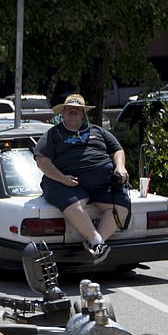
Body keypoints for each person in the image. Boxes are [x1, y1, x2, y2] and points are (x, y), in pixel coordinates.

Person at [34, 93, 130, 264]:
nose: (73, 112)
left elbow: (117, 149)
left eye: (77, 109)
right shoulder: (53, 134)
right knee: (74, 205)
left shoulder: (98, 130)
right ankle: (97, 242)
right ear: (62, 112)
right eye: (69, 109)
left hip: (103, 184)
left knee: (121, 206)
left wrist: (120, 167)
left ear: (83, 113)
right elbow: (41, 160)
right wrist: (62, 178)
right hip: (65, 183)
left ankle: (96, 244)